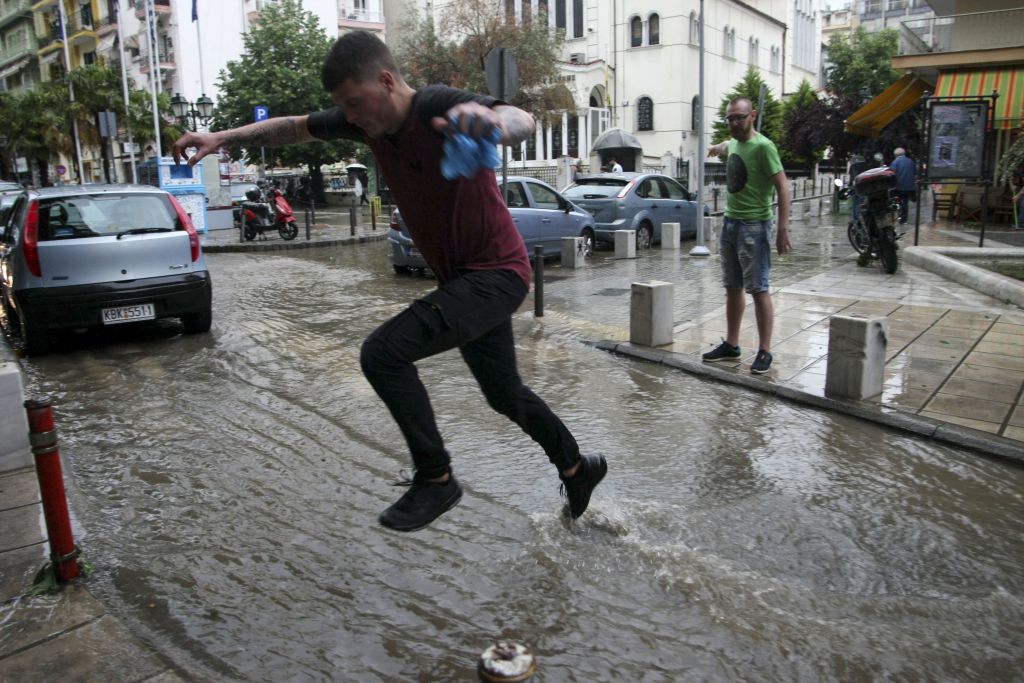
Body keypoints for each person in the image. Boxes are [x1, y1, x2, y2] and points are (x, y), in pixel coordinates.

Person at [171, 30, 606, 532]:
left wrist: (490, 122)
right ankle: (577, 469)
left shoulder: (434, 105)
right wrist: (221, 138)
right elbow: (293, 127)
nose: (351, 116)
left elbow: (520, 119)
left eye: (354, 103)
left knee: (382, 354)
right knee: (503, 394)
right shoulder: (367, 123)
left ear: (385, 81)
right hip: (465, 281)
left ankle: (436, 477)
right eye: (344, 108)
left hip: (496, 274)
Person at [702, 96, 791, 375]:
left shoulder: (764, 147)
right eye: (730, 118)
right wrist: (716, 147)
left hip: (755, 226)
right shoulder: (735, 143)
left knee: (759, 289)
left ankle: (764, 350)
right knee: (732, 287)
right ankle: (732, 344)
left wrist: (783, 227)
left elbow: (783, 186)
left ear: (752, 115)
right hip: (730, 224)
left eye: (739, 117)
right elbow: (728, 145)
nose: (734, 123)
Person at [890, 147, 916, 224]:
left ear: (895, 155)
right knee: (905, 201)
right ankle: (904, 218)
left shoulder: (895, 162)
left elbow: (892, 174)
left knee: (899, 201)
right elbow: (915, 172)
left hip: (900, 186)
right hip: (910, 186)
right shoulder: (910, 161)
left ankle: (901, 218)